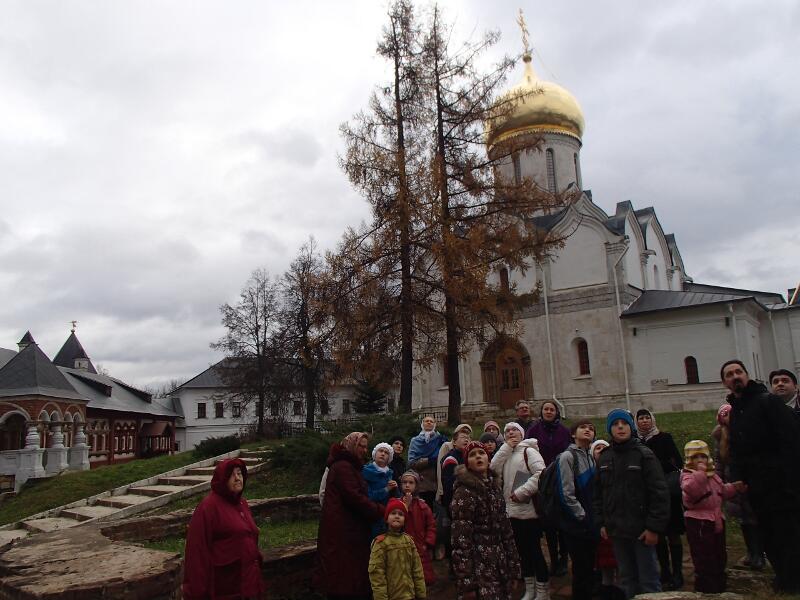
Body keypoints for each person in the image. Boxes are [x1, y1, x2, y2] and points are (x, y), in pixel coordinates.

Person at [721, 359, 800, 593]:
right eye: (730, 374)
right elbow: (736, 450)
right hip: (757, 487)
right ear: (725, 382)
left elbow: (790, 440)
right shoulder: (736, 412)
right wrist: (737, 476)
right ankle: (784, 578)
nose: (735, 376)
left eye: (739, 372)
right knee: (768, 534)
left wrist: (791, 478)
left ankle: (793, 581)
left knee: (789, 532)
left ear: (747, 375)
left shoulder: (768, 401)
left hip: (782, 483)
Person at [593, 409, 669, 599]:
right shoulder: (605, 457)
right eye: (615, 424)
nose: (620, 427)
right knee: (626, 579)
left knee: (649, 580)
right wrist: (602, 522)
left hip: (641, 530)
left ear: (631, 427)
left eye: (624, 423)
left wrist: (653, 527)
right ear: (610, 429)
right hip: (617, 530)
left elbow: (659, 493)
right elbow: (598, 494)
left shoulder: (644, 455)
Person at [315, 432, 385, 600]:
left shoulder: (350, 466)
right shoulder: (343, 467)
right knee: (344, 578)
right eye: (360, 446)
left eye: (366, 446)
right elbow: (355, 497)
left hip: (349, 531)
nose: (364, 450)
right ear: (351, 445)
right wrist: (381, 510)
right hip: (342, 533)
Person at [182, 458, 264, 600]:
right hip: (226, 589)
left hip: (249, 586)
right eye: (232, 475)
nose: (237, 478)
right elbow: (197, 552)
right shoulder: (208, 507)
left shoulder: (242, 504)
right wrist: (195, 593)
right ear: (222, 479)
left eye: (240, 473)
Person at [451, 441, 521, 600]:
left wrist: (513, 567)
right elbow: (460, 540)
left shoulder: (494, 488)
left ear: (488, 458)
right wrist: (466, 582)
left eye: (481, 453)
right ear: (467, 462)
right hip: (478, 566)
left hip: (500, 562)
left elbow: (506, 530)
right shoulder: (464, 492)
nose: (478, 457)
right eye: (472, 455)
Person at [490, 422, 548, 600]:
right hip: (511, 512)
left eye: (514, 430)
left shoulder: (528, 451)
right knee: (522, 553)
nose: (510, 433)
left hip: (529, 511)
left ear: (522, 434)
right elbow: (492, 469)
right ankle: (530, 589)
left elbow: (541, 473)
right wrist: (506, 447)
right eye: (507, 431)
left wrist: (522, 492)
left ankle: (543, 591)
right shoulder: (505, 453)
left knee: (535, 551)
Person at [635, 409, 685, 591]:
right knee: (658, 533)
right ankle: (665, 570)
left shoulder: (664, 438)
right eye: (641, 418)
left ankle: (678, 572)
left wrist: (655, 466)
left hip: (667, 491)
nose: (645, 421)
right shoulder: (636, 442)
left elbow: (677, 462)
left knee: (673, 533)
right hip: (648, 493)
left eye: (647, 417)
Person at [680, 440, 739, 593]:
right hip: (698, 522)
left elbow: (720, 491)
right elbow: (691, 491)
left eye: (703, 457)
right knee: (704, 557)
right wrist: (700, 474)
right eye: (696, 457)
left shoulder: (713, 476)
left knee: (719, 554)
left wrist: (734, 488)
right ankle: (706, 588)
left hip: (717, 519)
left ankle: (720, 585)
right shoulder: (687, 476)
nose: (701, 461)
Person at [711, 402, 765, 570]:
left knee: (754, 518)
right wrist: (718, 481)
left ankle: (760, 554)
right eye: (724, 415)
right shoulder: (720, 435)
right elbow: (718, 460)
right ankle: (751, 552)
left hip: (747, 481)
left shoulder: (745, 432)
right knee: (743, 519)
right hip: (731, 481)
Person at [526, 400, 571, 576]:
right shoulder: (534, 430)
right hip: (543, 482)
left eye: (552, 409)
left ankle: (563, 558)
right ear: (542, 412)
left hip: (560, 479)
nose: (549, 412)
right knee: (549, 523)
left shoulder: (564, 431)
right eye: (546, 409)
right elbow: (527, 453)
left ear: (557, 412)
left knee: (563, 524)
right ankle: (553, 559)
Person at [555, 419, 598, 600]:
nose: (588, 430)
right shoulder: (567, 457)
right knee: (580, 568)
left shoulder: (590, 456)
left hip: (591, 522)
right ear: (573, 434)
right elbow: (566, 493)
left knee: (591, 566)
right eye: (583, 428)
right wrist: (582, 516)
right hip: (577, 524)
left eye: (591, 429)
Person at [368, 498, 427, 600]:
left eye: (401, 514)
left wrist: (421, 595)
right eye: (393, 513)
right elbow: (377, 576)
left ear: (404, 520)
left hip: (410, 596)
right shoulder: (380, 543)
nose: (397, 516)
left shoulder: (409, 541)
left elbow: (417, 570)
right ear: (386, 518)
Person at [590, 440, 624, 600]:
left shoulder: (617, 469)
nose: (601, 450)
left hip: (618, 524)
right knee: (605, 564)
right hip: (602, 525)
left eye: (604, 447)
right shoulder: (591, 473)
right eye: (597, 448)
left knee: (620, 564)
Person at [399, 470, 437, 586]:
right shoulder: (396, 504)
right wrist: (406, 506)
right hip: (402, 547)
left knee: (424, 578)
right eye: (404, 482)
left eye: (411, 483)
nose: (407, 485)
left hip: (420, 546)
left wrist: (428, 542)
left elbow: (431, 525)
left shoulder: (423, 506)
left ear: (416, 486)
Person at [408, 416, 446, 508]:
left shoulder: (440, 440)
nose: (429, 423)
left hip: (437, 482)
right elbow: (411, 463)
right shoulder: (415, 441)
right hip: (422, 484)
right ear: (422, 424)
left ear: (434, 424)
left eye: (431, 421)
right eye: (426, 421)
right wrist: (429, 461)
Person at [364, 442, 399, 537]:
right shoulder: (366, 472)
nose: (383, 454)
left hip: (386, 517)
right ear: (375, 454)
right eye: (380, 451)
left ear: (389, 458)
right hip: (370, 516)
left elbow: (394, 498)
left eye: (386, 452)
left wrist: (395, 488)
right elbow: (367, 496)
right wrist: (386, 489)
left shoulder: (390, 474)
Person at [435, 423, 473, 505]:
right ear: (454, 442)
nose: (466, 440)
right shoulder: (451, 459)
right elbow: (449, 487)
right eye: (463, 437)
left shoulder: (468, 457)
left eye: (468, 438)